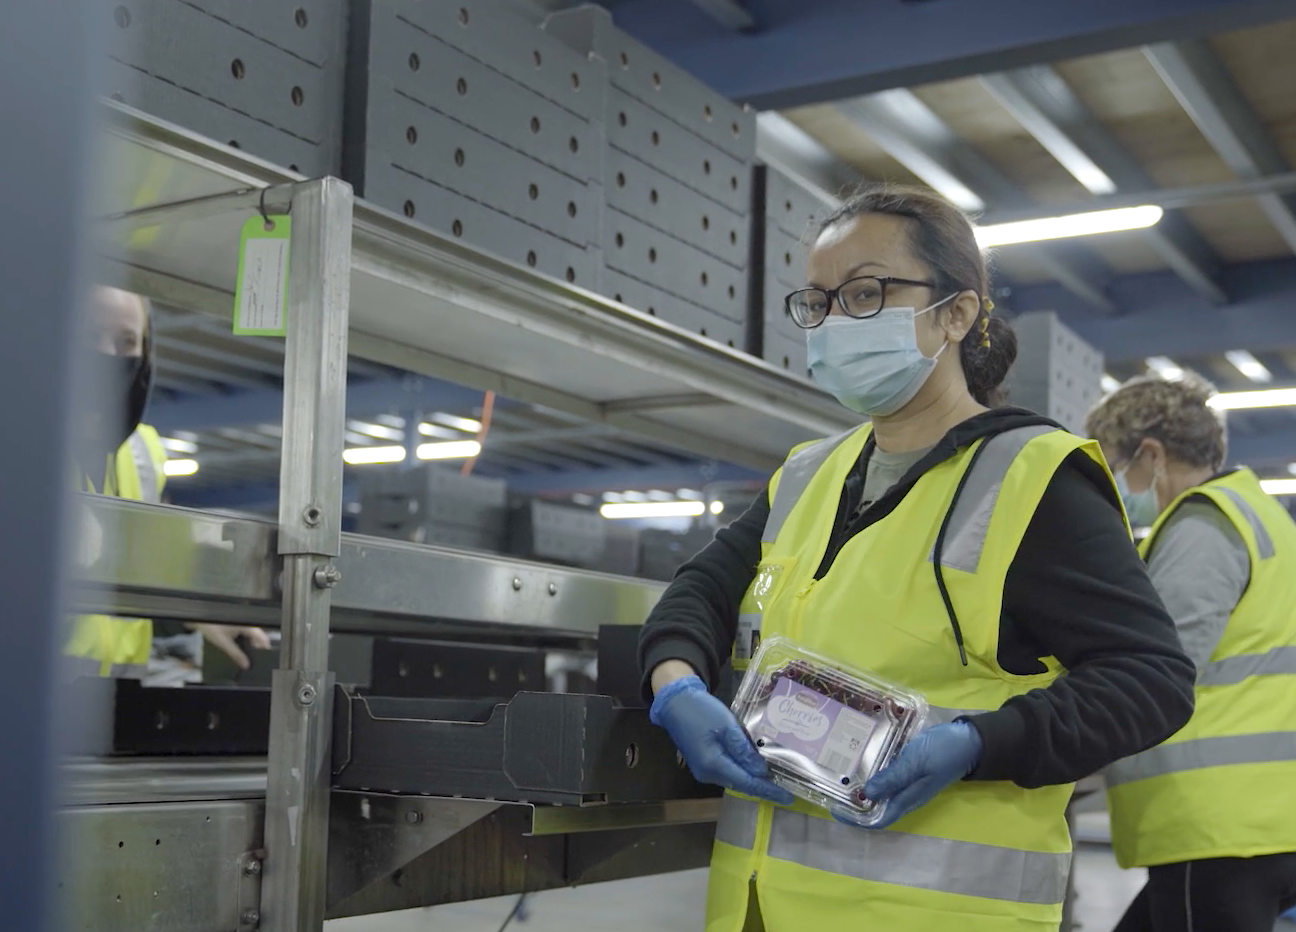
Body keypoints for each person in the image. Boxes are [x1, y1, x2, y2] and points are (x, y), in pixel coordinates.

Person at [637, 184, 1197, 932]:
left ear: (956, 314)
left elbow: (1152, 680)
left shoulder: (1034, 480)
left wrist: (978, 743)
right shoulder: (808, 475)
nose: (836, 321)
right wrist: (675, 684)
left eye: (866, 293)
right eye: (818, 302)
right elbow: (699, 590)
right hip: (758, 906)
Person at [1086, 373, 1296, 932]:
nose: (1116, 483)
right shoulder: (1262, 515)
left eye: (1114, 464)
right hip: (1259, 820)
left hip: (1216, 826)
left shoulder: (1204, 526)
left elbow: (1161, 672)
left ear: (1151, 454)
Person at [68, 285, 269, 680]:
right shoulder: (20, 440)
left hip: (119, 697)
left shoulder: (143, 452)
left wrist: (192, 616)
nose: (109, 354)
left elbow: (135, 577)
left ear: (145, 352)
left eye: (127, 341)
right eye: (91, 335)